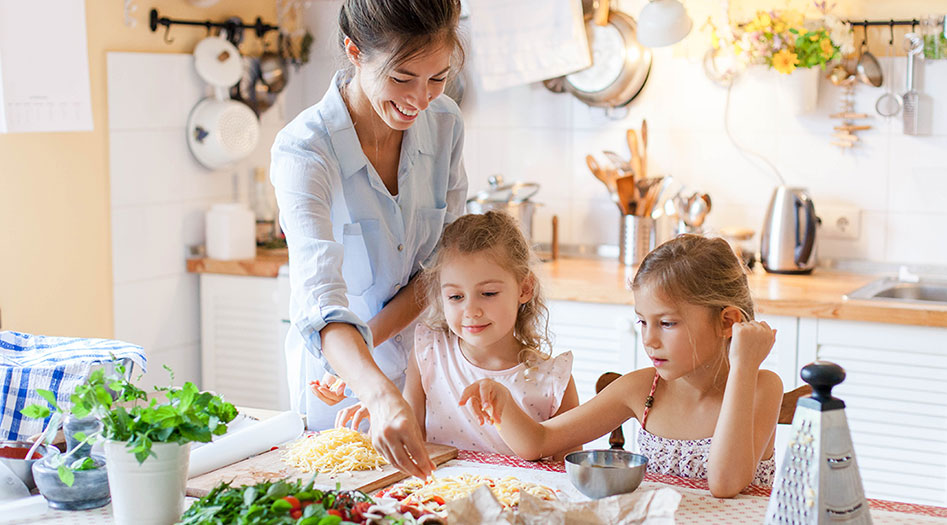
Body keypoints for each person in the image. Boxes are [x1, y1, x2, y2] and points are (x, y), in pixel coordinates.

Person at [270, 0, 466, 479]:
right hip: (337, 389)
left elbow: (441, 266)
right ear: (354, 51)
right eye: (402, 78)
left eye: (438, 78)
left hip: (424, 377)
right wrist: (377, 392)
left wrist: (377, 346)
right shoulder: (304, 150)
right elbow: (320, 303)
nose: (421, 99)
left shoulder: (445, 125)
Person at [460, 234, 783, 498]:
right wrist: (501, 400)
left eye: (667, 323)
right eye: (642, 322)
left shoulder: (760, 386)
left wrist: (743, 365)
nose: (649, 339)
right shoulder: (643, 389)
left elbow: (725, 484)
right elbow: (538, 442)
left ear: (727, 321)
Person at [323, 211, 580, 460]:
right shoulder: (429, 352)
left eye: (488, 293)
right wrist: (384, 414)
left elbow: (569, 476)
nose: (471, 311)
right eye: (456, 297)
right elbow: (415, 436)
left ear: (525, 288)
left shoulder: (554, 379)